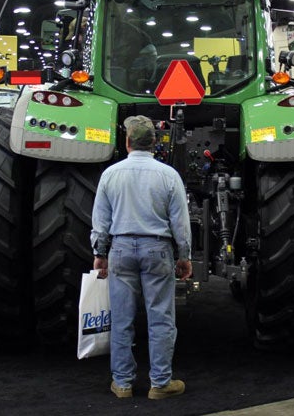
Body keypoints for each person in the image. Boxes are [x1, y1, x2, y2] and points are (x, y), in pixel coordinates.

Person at [90, 115, 193, 400]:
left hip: (120, 249)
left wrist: (100, 253)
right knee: (160, 319)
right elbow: (180, 223)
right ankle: (160, 383)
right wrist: (184, 256)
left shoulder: (111, 174)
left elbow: (101, 221)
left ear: (127, 142)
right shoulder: (169, 175)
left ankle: (122, 383)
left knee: (122, 319)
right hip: (157, 250)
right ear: (155, 143)